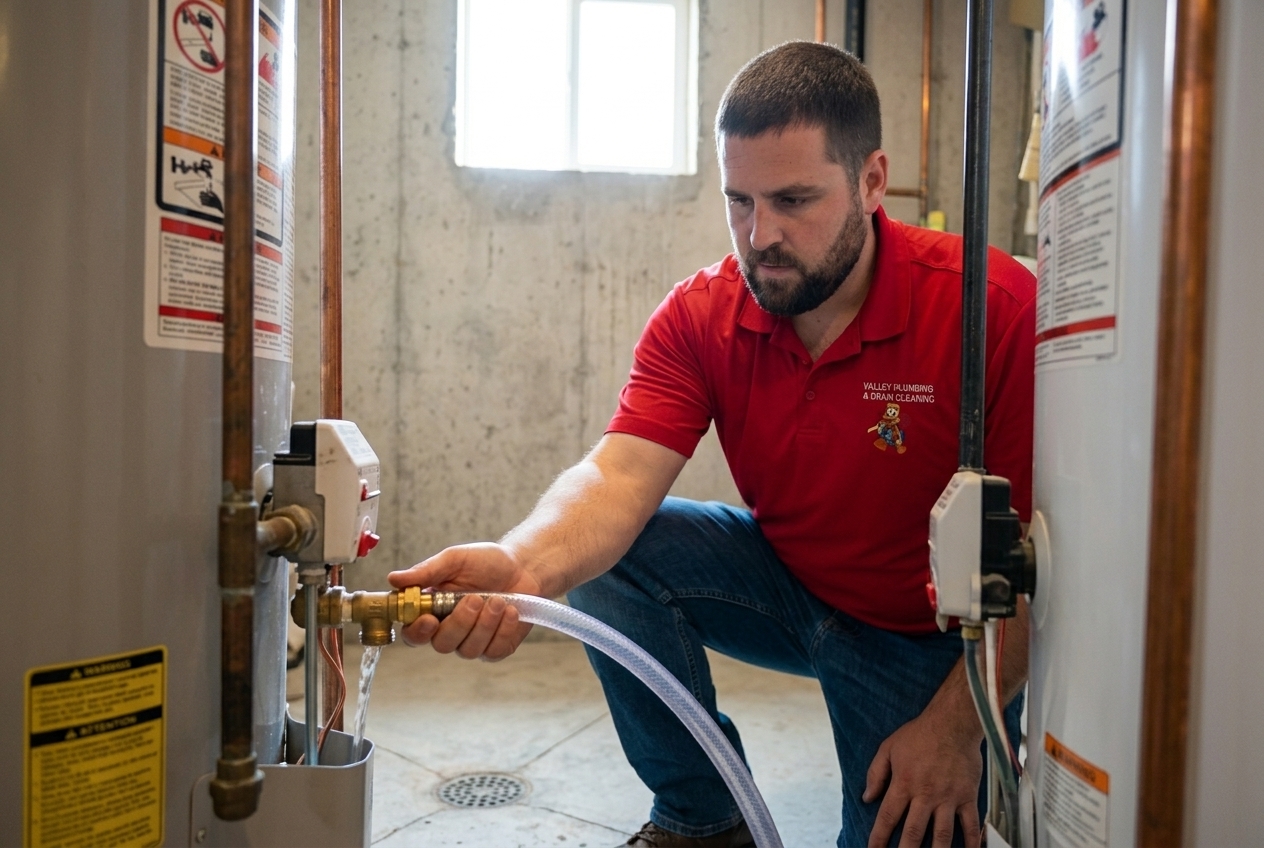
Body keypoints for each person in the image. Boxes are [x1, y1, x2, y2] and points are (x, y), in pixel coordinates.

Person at [389, 41, 1034, 848]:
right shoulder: (701, 316)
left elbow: (1043, 572)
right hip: (794, 586)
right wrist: (525, 566)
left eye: (794, 200)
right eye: (740, 201)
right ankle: (703, 822)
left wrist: (957, 730)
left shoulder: (991, 310)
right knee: (610, 560)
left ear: (873, 181)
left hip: (930, 639)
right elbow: (618, 475)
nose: (761, 235)